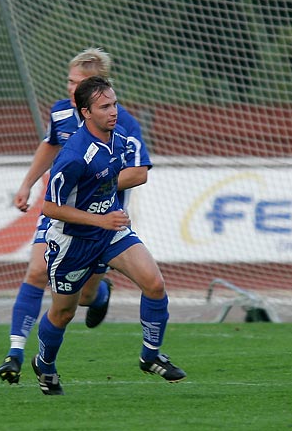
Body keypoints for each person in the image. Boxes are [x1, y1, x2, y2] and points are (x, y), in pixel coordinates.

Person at [0, 48, 151, 384]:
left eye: (79, 82)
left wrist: (100, 180)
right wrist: (27, 184)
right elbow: (50, 146)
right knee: (37, 271)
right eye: (70, 81)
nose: (71, 88)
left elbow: (138, 171)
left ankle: (100, 293)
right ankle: (15, 353)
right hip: (60, 213)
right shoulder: (61, 113)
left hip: (101, 220)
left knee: (82, 297)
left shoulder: (120, 121)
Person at [32, 76, 185, 395]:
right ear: (86, 112)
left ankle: (150, 355)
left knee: (154, 283)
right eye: (105, 107)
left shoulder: (118, 138)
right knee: (64, 312)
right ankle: (44, 365)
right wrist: (97, 219)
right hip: (73, 242)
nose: (113, 111)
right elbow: (48, 207)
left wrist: (106, 216)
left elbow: (135, 172)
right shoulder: (74, 155)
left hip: (110, 231)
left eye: (114, 104)